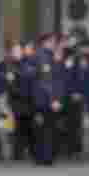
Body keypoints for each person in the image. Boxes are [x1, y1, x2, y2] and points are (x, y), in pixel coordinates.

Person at [31, 32, 65, 166]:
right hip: (45, 100)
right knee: (46, 129)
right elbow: (47, 81)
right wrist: (54, 100)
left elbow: (58, 79)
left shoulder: (49, 55)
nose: (54, 44)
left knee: (45, 128)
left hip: (46, 99)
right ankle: (45, 157)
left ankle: (43, 156)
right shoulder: (43, 56)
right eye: (52, 41)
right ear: (45, 42)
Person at [5, 43, 34, 161]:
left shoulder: (28, 64)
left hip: (28, 102)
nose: (18, 53)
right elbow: (11, 85)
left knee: (28, 127)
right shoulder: (10, 66)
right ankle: (16, 153)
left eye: (20, 51)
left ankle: (29, 150)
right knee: (14, 129)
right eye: (16, 51)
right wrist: (23, 93)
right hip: (15, 102)